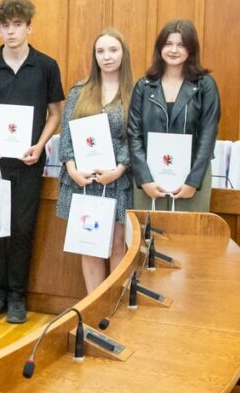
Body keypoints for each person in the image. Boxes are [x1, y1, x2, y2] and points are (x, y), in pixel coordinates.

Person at [0, 0, 64, 324]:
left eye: (17, 26)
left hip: (28, 163)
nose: (11, 32)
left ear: (29, 27)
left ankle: (17, 297)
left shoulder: (46, 66)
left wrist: (40, 144)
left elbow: (55, 114)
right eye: (5, 26)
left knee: (22, 230)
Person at [55, 28, 134, 293]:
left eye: (113, 50)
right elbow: (66, 132)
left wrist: (119, 168)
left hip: (117, 181)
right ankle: (93, 307)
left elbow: (135, 137)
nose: (107, 57)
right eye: (100, 51)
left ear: (123, 54)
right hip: (83, 181)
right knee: (88, 242)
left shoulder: (135, 93)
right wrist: (71, 167)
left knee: (116, 244)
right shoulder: (79, 91)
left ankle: (114, 306)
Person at [128, 19, 220, 212]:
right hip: (150, 180)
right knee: (149, 239)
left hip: (192, 179)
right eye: (168, 44)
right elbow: (134, 135)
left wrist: (193, 182)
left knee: (188, 239)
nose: (174, 50)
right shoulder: (144, 86)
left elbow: (208, 136)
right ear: (160, 48)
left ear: (191, 50)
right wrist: (144, 179)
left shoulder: (205, 86)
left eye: (181, 45)